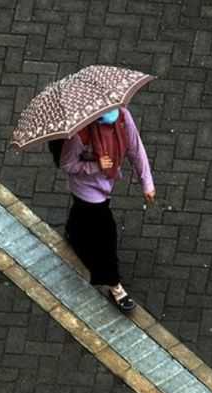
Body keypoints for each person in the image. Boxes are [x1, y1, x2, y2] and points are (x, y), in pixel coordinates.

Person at [49, 106, 155, 313]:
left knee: (82, 214)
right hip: (87, 190)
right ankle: (114, 285)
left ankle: (73, 230)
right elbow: (67, 164)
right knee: (107, 234)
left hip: (106, 184)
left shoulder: (122, 117)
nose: (111, 128)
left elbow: (135, 147)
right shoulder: (79, 134)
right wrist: (97, 164)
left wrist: (147, 183)